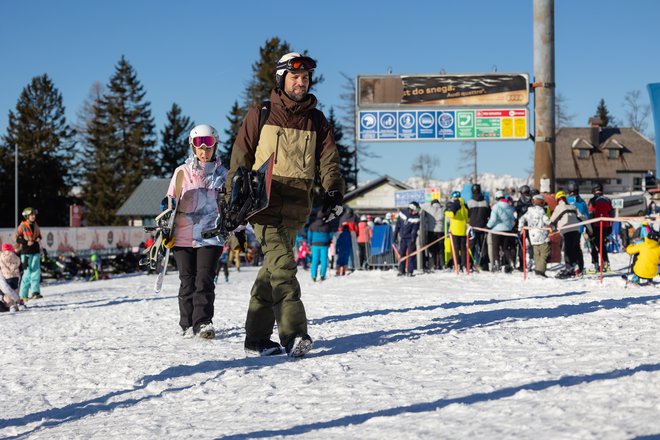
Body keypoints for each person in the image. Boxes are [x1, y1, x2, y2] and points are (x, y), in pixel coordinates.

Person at [228, 52, 344, 357]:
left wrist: (333, 191)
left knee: (271, 271)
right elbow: (240, 157)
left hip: (297, 207)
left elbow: (328, 161)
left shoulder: (316, 120)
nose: (301, 82)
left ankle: (255, 338)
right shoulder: (262, 113)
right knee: (283, 268)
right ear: (282, 79)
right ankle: (294, 334)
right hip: (263, 203)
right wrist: (233, 196)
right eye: (295, 77)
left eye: (305, 78)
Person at [168, 124, 227, 339]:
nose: (204, 150)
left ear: (215, 146)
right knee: (187, 281)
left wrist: (237, 229)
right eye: (199, 145)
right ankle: (186, 323)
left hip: (211, 234)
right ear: (192, 147)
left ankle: (202, 322)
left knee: (204, 280)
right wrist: (166, 225)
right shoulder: (181, 173)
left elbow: (229, 206)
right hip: (183, 236)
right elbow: (169, 203)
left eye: (208, 144)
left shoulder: (222, 175)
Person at [550, 191, 588, 278]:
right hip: (576, 230)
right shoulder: (572, 206)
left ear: (557, 199)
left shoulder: (559, 207)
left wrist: (553, 228)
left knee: (567, 250)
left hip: (566, 229)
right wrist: (590, 229)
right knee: (577, 249)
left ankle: (569, 269)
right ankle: (580, 268)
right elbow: (582, 217)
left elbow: (552, 220)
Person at [517, 194, 551, 277]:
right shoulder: (542, 211)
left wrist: (520, 228)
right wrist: (552, 224)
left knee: (536, 254)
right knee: (544, 253)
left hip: (532, 236)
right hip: (542, 235)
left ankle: (537, 269)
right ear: (541, 202)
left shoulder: (529, 211)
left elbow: (521, 219)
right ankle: (540, 271)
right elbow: (546, 220)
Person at [16, 207, 42, 300]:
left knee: (36, 271)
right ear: (27, 216)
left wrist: (39, 238)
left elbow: (39, 235)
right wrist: (26, 242)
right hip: (26, 252)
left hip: (35, 251)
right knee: (27, 273)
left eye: (34, 214)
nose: (33, 216)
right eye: (31, 215)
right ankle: (23, 295)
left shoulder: (36, 224)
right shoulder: (22, 225)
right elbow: (17, 238)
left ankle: (35, 292)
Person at [487, 190, 516, 272]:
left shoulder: (496, 207)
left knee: (495, 248)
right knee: (506, 248)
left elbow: (493, 219)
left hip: (497, 230)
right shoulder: (510, 207)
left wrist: (488, 226)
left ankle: (496, 264)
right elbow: (513, 219)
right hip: (508, 230)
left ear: (497, 198)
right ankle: (511, 261)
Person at [588, 183, 614, 272]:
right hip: (606, 225)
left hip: (595, 226)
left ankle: (595, 264)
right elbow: (611, 213)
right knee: (602, 245)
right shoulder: (607, 200)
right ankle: (605, 263)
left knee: (594, 245)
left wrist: (589, 227)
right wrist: (611, 225)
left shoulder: (592, 200)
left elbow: (590, 213)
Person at [467, 183, 491, 271]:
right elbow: (489, 214)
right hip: (483, 227)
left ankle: (469, 264)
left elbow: (467, 215)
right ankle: (485, 265)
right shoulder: (485, 202)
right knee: (483, 247)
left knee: (471, 247)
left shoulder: (469, 203)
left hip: (472, 228)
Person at [394, 201, 421, 276]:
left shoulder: (416, 218)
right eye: (416, 210)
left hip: (410, 239)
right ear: (411, 209)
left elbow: (414, 230)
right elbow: (398, 225)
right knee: (401, 254)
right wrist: (395, 234)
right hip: (402, 238)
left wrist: (413, 240)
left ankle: (410, 271)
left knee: (411, 255)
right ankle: (401, 270)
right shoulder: (402, 213)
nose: (417, 212)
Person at [445, 191, 469, 271]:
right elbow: (468, 218)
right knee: (463, 249)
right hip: (463, 230)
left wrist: (445, 212)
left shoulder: (455, 204)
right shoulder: (464, 205)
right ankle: (464, 265)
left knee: (455, 249)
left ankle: (457, 264)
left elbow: (451, 214)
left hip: (455, 230)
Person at [308, 210, 333, 281]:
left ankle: (313, 276)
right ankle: (322, 275)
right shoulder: (327, 225)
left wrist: (309, 243)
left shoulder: (312, 225)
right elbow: (330, 235)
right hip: (324, 244)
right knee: (324, 260)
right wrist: (329, 241)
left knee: (314, 260)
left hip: (315, 245)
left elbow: (309, 235)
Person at [421, 199, 444, 271]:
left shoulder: (429, 208)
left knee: (432, 249)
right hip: (441, 231)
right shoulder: (442, 209)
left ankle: (433, 264)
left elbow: (421, 206)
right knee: (440, 249)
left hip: (431, 231)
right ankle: (441, 265)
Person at [0, 243, 22, 312]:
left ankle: (10, 305)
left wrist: (6, 271)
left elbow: (1, 265)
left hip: (7, 276)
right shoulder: (14, 255)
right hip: (15, 276)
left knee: (8, 292)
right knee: (15, 289)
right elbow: (18, 261)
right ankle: (17, 305)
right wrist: (13, 268)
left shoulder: (1, 256)